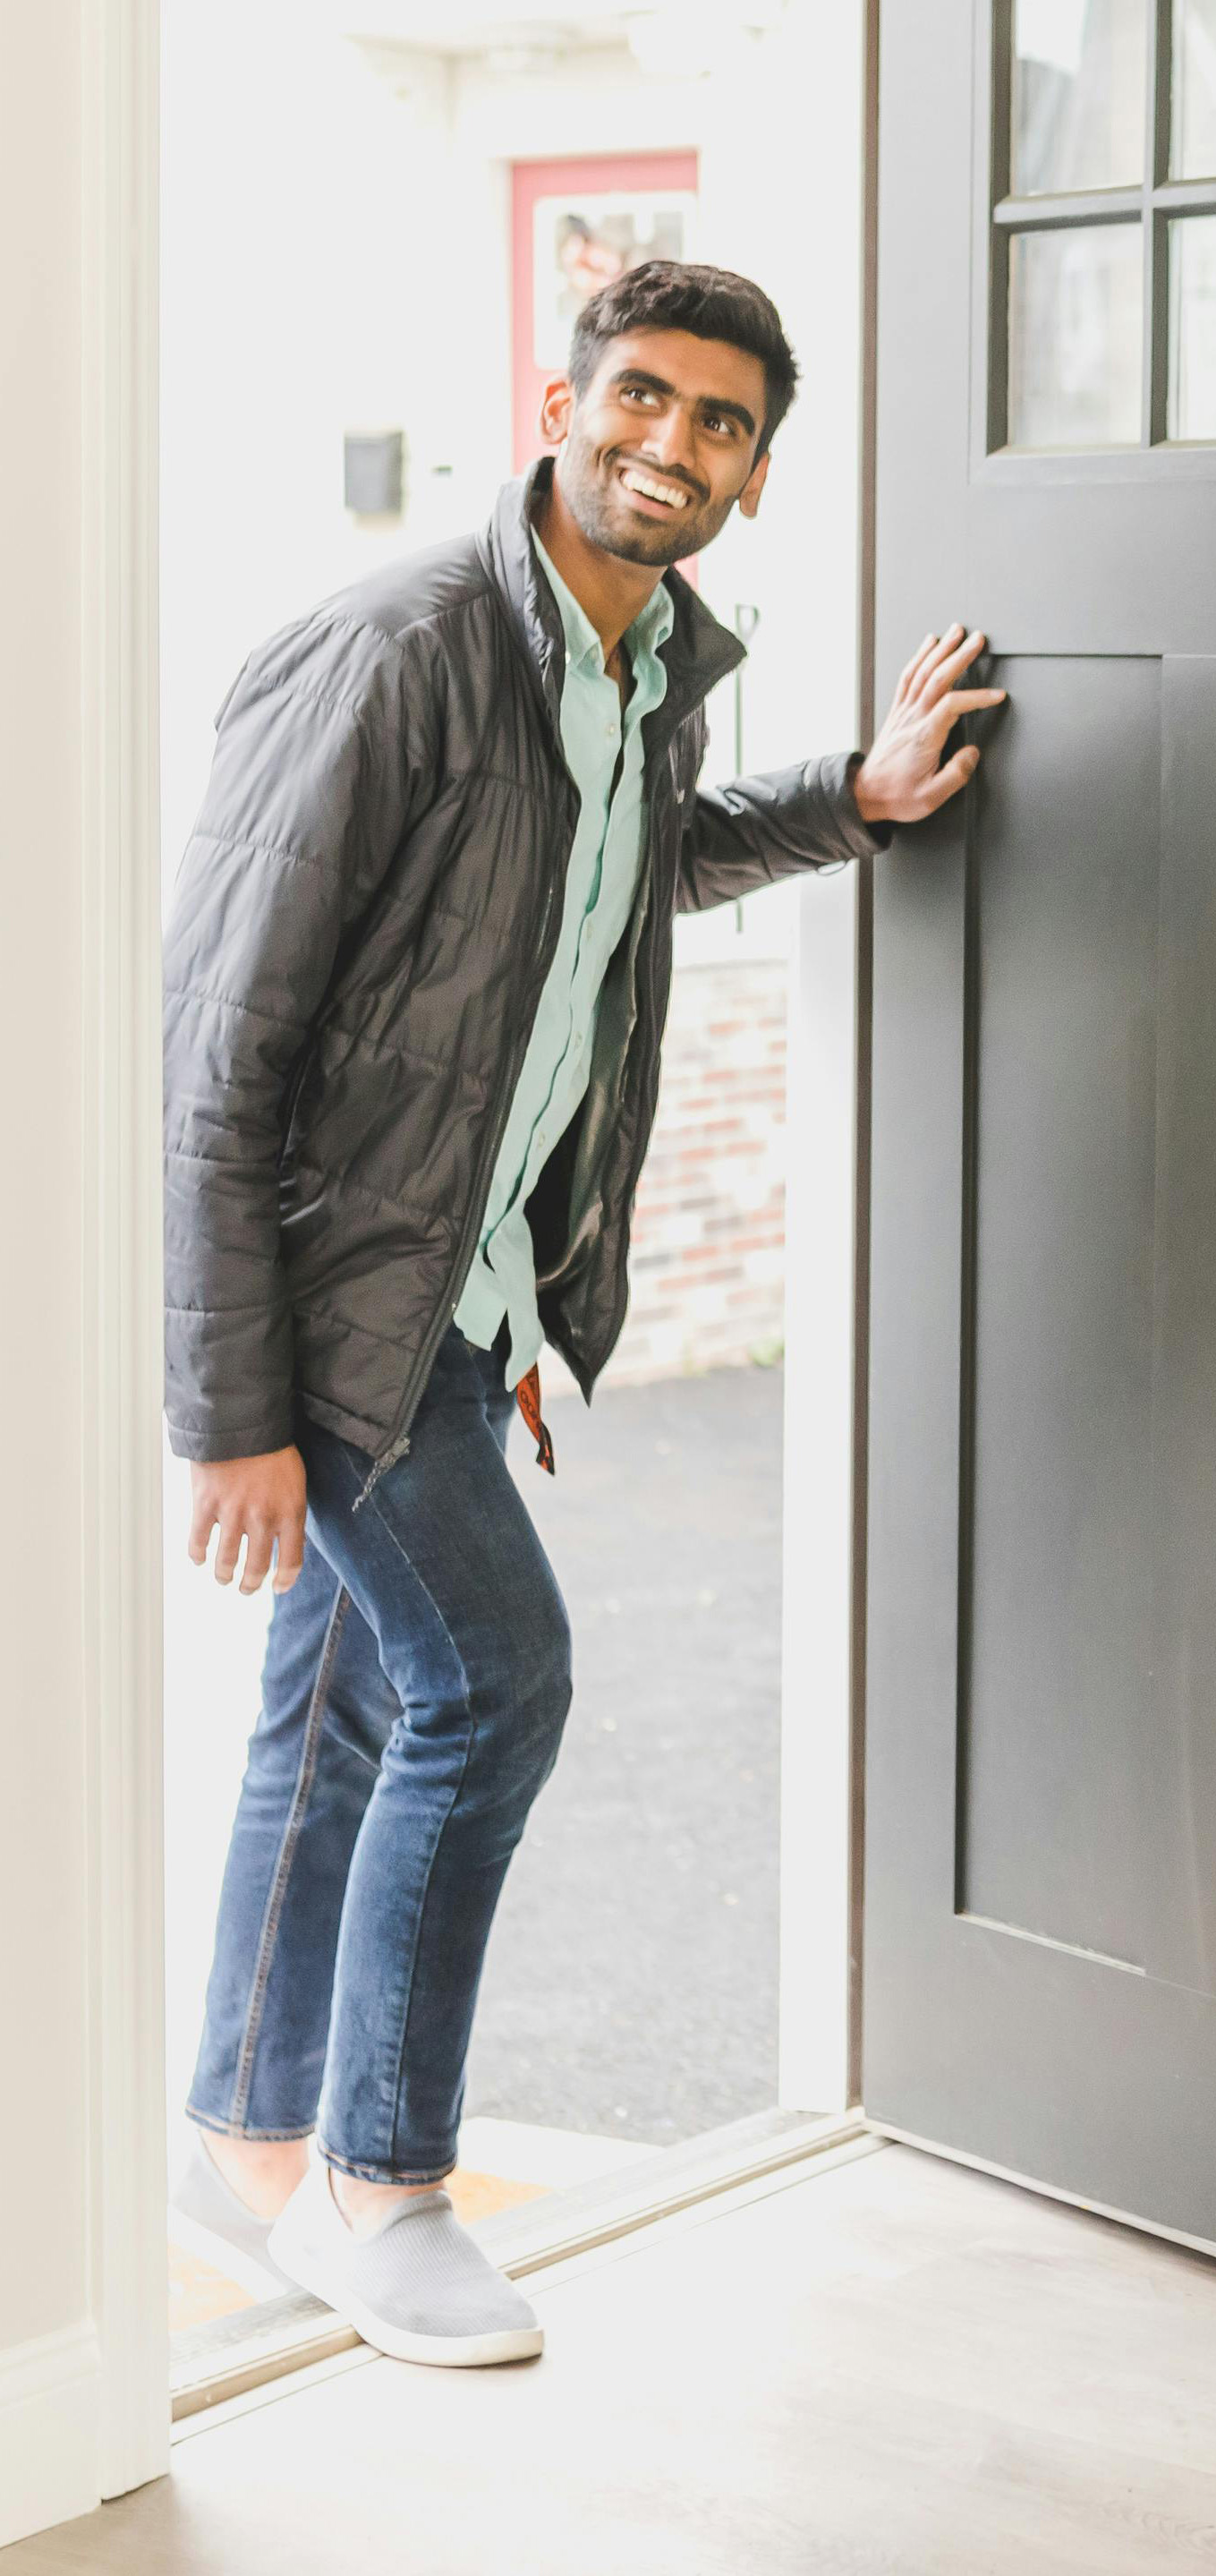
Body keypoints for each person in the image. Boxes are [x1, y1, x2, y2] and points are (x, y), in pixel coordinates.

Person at [163, 260, 1002, 2367]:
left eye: (720, 423)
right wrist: (229, 1409)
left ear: (755, 470)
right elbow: (217, 1047)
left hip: (455, 1288)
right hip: (336, 1305)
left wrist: (855, 795)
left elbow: (626, 867)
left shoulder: (642, 663)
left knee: (342, 1707)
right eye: (640, 397)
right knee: (492, 1683)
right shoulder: (403, 649)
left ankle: (246, 2143)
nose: (671, 444)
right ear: (560, 403)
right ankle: (382, 2186)